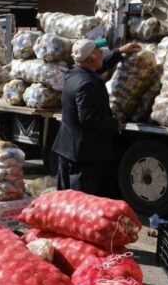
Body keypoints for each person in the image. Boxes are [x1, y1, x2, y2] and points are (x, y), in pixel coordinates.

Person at [53, 39, 141, 194]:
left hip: (68, 148)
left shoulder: (73, 74)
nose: (103, 53)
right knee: (80, 200)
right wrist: (115, 125)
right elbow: (88, 119)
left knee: (64, 199)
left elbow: (99, 66)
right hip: (82, 155)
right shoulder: (87, 84)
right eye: (99, 52)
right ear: (92, 58)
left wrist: (119, 52)